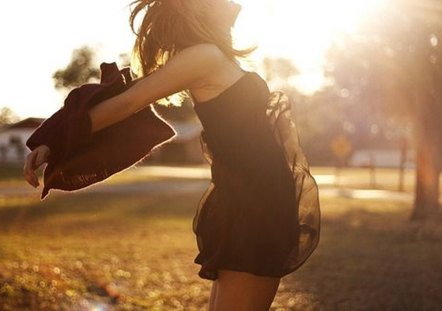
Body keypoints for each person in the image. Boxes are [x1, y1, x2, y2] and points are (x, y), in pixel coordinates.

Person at [23, 1, 321, 310]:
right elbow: (127, 103)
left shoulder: (216, 57)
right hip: (253, 205)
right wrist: (54, 141)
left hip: (259, 200)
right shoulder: (204, 57)